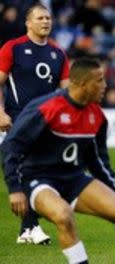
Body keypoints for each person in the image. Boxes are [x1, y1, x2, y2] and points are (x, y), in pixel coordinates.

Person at [2, 58, 115, 264]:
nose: (105, 86)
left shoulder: (97, 116)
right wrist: (14, 189)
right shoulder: (46, 108)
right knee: (64, 216)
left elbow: (98, 162)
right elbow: (11, 145)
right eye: (99, 81)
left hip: (74, 179)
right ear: (82, 84)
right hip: (37, 179)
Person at [0, 3, 70, 245]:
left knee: (44, 173)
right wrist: (0, 113)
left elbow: (65, 92)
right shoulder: (13, 48)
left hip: (47, 123)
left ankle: (27, 229)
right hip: (18, 119)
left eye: (48, 18)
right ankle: (30, 226)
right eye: (40, 18)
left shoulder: (58, 53)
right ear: (28, 23)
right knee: (27, 169)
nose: (45, 22)